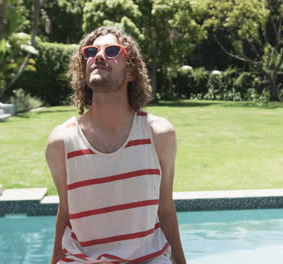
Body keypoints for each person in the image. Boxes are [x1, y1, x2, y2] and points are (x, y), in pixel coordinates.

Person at [45, 26, 186, 264]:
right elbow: (66, 213)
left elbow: (165, 210)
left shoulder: (158, 134)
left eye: (111, 50)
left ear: (131, 72)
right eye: (90, 52)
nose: (98, 56)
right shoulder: (61, 142)